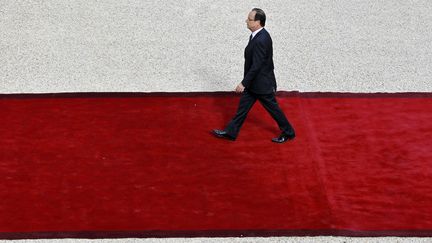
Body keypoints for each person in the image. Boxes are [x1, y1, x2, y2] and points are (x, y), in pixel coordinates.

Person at [212, 8, 295, 143]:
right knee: (242, 109)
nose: (246, 21)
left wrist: (243, 83)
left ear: (257, 22)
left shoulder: (261, 39)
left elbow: (257, 65)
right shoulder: (256, 35)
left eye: (249, 19)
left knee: (274, 110)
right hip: (254, 83)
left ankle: (289, 132)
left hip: (261, 85)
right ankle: (231, 132)